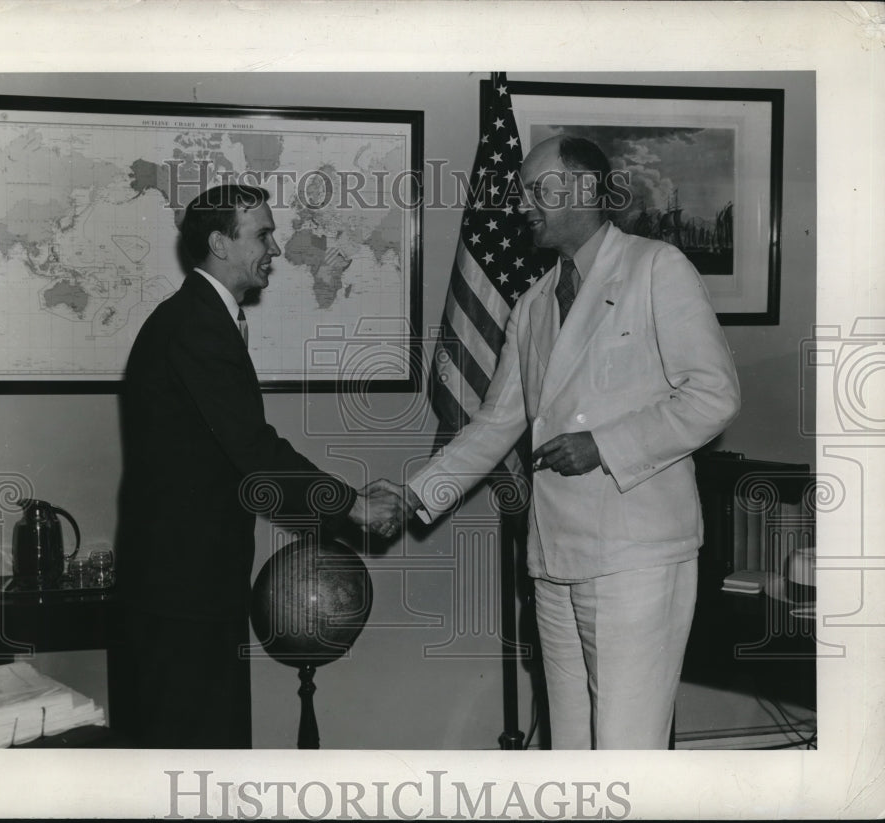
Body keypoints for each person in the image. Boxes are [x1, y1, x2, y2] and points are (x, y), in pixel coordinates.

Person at [378, 136, 741, 749]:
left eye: (535, 189)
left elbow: (714, 395)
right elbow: (496, 423)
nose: (522, 204)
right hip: (554, 559)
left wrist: (603, 445)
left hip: (636, 556)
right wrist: (412, 496)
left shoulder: (657, 267)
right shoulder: (534, 302)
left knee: (625, 751)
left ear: (583, 191)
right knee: (569, 752)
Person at [112, 184, 400, 748]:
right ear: (220, 242)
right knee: (196, 762)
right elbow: (255, 452)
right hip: (184, 596)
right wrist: (352, 507)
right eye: (262, 233)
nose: (275, 246)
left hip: (188, 586)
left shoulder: (198, 318)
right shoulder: (197, 325)